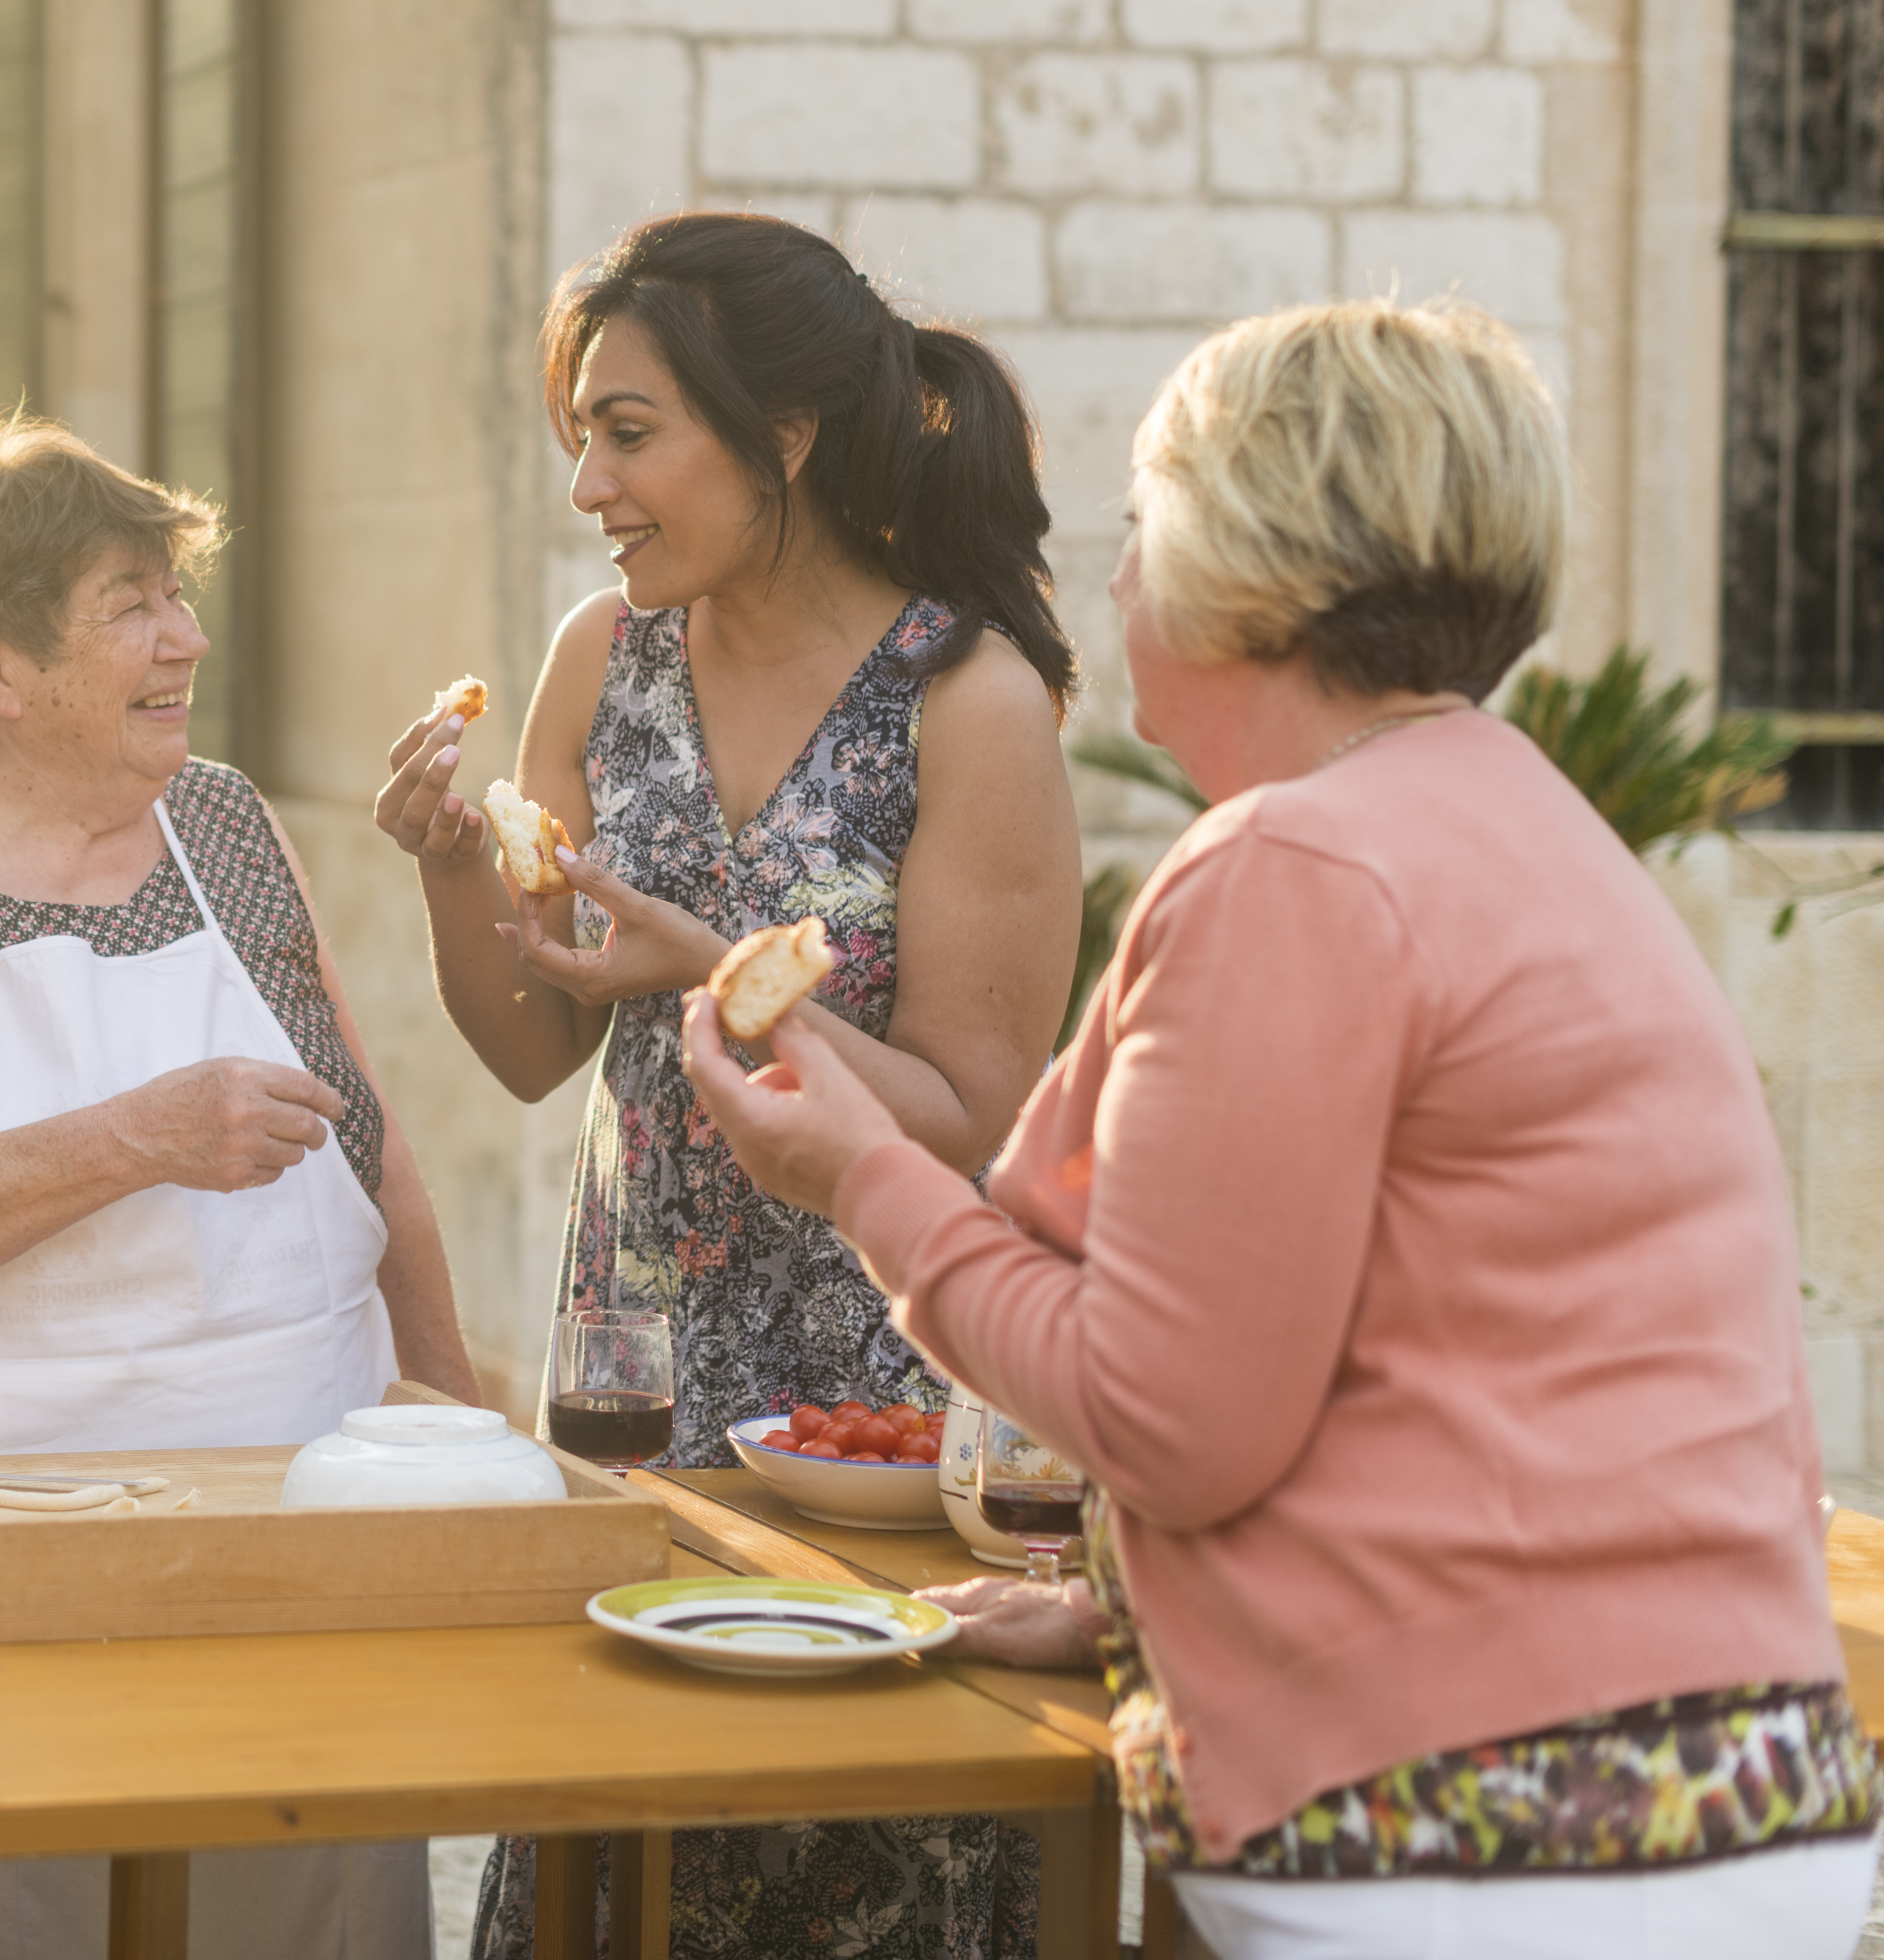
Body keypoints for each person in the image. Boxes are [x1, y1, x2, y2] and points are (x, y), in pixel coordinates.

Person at [689, 298, 1882, 1960]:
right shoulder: (1532, 826)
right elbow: (1459, 1367)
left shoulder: (1292, 872)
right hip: (1721, 1803)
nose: (1111, 576)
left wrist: (862, 1176)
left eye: (1143, 520)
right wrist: (1133, 1615)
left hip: (1471, 1837)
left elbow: (1171, 1419)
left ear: (1237, 561)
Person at [373, 212, 1081, 1956]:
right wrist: (455, 869)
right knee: (619, 1866)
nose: (589, 487)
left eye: (629, 434)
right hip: (633, 1390)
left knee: (849, 1855)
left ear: (784, 435)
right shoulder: (599, 662)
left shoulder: (970, 699)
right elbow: (534, 1047)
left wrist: (705, 961)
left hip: (873, 1417)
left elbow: (980, 1112)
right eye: (578, 440)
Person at [0, 415, 476, 1958]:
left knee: (302, 1888)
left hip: (302, 1527)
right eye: (133, 607)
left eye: (177, 592)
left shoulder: (224, 821)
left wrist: (462, 1428)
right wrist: (136, 1137)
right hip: (7, 1555)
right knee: (23, 1894)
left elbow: (370, 1140)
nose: (189, 637)